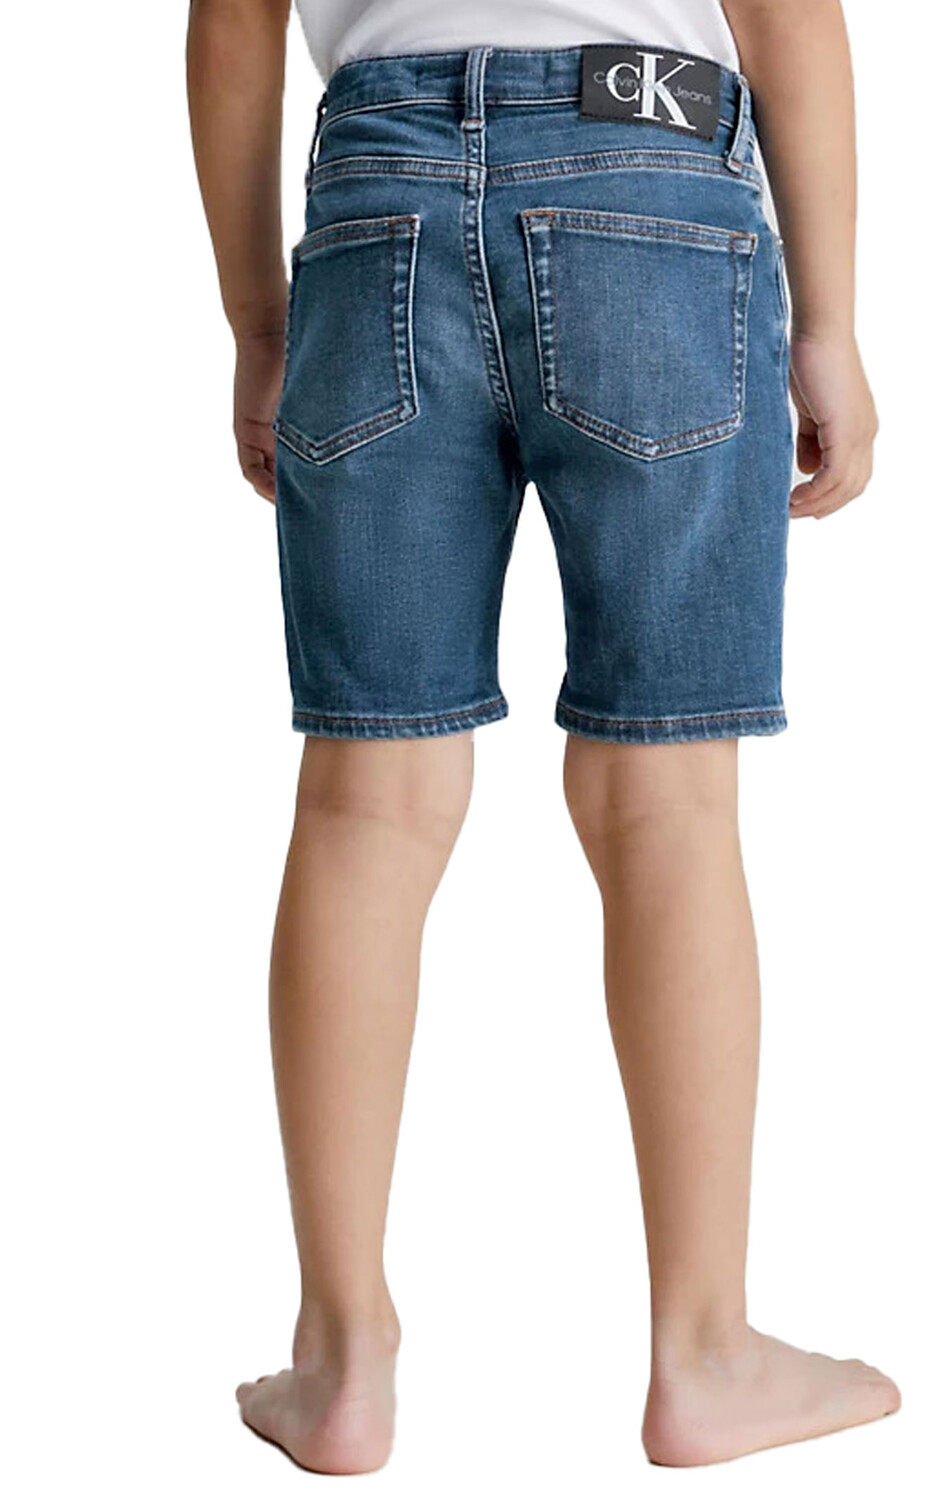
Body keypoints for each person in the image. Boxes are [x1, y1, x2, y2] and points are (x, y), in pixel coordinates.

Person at [186, 0, 899, 1475]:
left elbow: (232, 20)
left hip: (375, 199)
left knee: (364, 802)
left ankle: (340, 1361)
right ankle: (705, 1357)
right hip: (650, 181)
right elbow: (787, 16)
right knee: (667, 805)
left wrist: (257, 324)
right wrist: (829, 326)